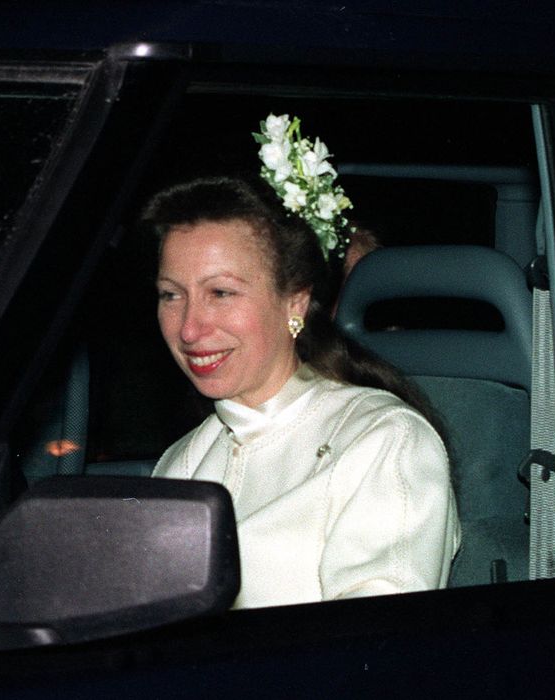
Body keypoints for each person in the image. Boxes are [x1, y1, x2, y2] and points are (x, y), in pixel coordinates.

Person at [143, 175, 460, 609]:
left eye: (221, 292)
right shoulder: (183, 460)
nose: (190, 328)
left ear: (294, 303)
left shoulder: (383, 441)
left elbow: (377, 655)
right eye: (171, 295)